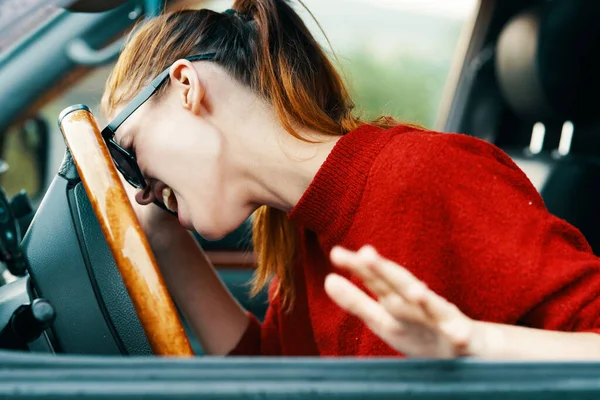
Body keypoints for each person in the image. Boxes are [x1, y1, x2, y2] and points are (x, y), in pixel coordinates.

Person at [100, 0, 600, 359]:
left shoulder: (424, 176)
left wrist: (473, 343)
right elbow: (274, 374)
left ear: (186, 86)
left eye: (126, 153)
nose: (139, 189)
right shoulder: (301, 229)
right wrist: (163, 241)